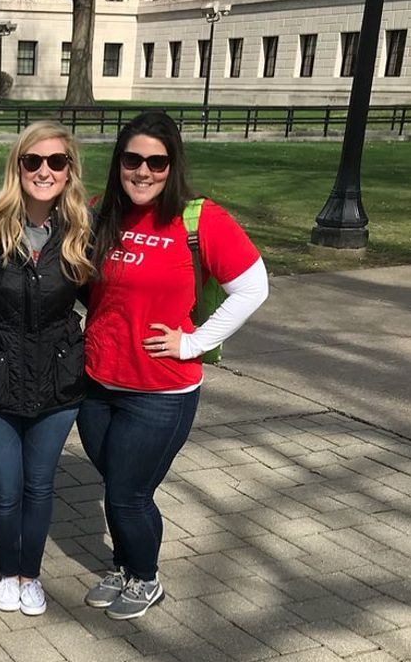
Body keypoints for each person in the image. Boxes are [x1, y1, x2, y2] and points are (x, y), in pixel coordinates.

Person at [78, 111, 268, 619]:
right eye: (132, 159)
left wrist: (194, 343)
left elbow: (253, 287)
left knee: (128, 493)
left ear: (172, 165)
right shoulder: (101, 212)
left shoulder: (198, 219)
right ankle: (123, 565)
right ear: (119, 162)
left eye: (156, 162)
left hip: (161, 393)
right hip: (97, 383)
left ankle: (144, 577)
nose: (143, 172)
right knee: (115, 484)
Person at [0, 122, 93, 617]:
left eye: (56, 162)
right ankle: (6, 572)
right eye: (32, 161)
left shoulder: (81, 229)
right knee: (4, 489)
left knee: (39, 486)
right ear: (17, 166)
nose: (44, 170)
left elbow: (107, 297)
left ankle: (29, 575)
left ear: (69, 170)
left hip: (57, 381)